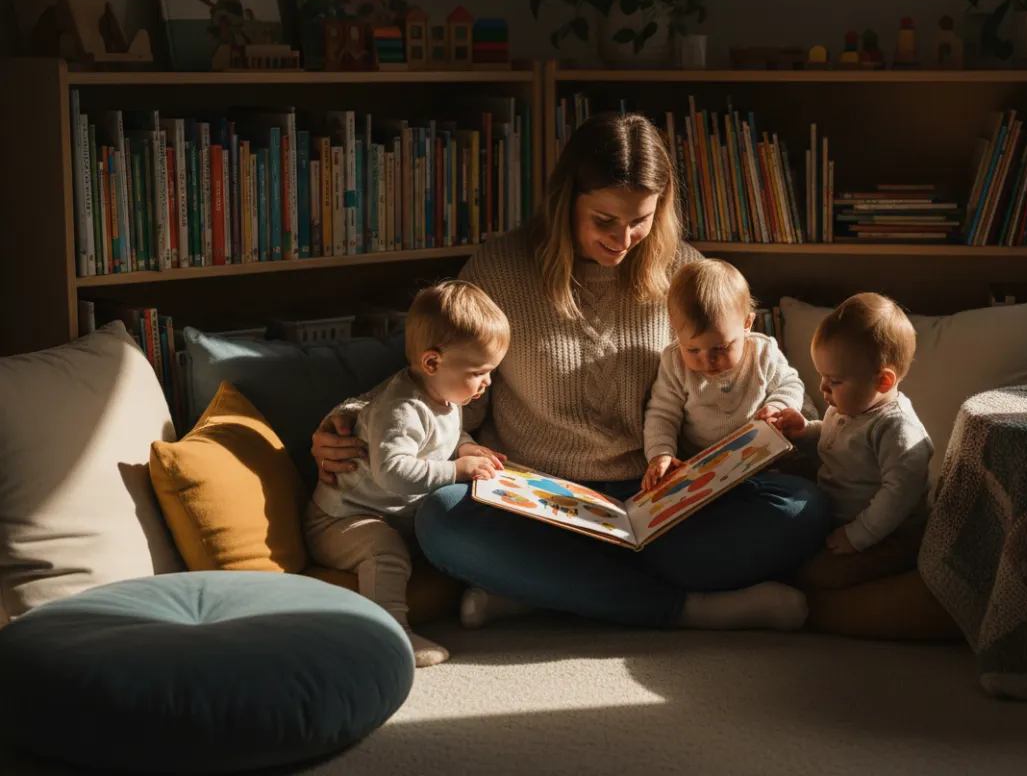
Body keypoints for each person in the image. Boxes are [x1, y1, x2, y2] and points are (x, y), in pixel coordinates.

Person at [310, 111, 832, 632]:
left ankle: (548, 589)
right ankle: (685, 609)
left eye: (641, 220)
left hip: (658, 500)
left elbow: (757, 371)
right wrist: (354, 418)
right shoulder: (501, 271)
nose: (624, 239)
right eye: (604, 220)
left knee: (802, 507)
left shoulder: (686, 275)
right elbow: (436, 372)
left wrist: (773, 426)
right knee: (442, 520)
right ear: (566, 202)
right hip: (539, 503)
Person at [305, 281, 510, 666]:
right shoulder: (400, 409)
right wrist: (456, 470)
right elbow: (393, 473)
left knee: (464, 526)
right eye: (479, 372)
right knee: (385, 550)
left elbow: (443, 437)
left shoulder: (445, 394)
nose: (487, 382)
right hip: (341, 520)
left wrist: (465, 447)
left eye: (490, 372)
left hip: (395, 515)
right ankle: (390, 635)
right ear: (432, 363)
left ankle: (503, 591)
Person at [772, 292, 934, 574]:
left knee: (817, 574)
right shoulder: (849, 405)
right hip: (837, 511)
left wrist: (858, 535)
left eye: (834, 381)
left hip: (888, 531)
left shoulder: (897, 428)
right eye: (822, 376)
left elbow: (900, 494)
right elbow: (840, 441)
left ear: (883, 381)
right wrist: (806, 431)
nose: (823, 388)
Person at [641, 258, 809, 492]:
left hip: (760, 463)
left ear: (747, 324)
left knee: (799, 496)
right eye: (693, 350)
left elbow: (790, 384)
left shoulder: (762, 352)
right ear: (675, 329)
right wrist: (660, 455)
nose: (708, 361)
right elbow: (662, 415)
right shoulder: (674, 362)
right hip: (700, 471)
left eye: (720, 348)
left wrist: (777, 406)